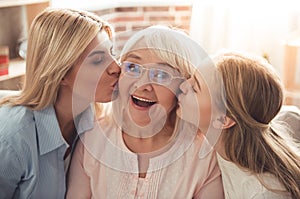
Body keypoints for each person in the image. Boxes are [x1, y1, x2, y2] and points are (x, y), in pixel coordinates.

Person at [66, 26, 224, 198]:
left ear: (184, 87)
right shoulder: (92, 140)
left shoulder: (204, 156)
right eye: (133, 68)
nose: (142, 84)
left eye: (161, 75)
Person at [0, 8, 120, 198]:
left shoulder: (95, 124)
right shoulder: (13, 140)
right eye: (98, 60)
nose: (116, 67)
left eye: (112, 53)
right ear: (61, 74)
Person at [177, 51, 300, 199]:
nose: (183, 86)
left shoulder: (263, 193)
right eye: (190, 77)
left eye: (195, 88)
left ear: (222, 121)